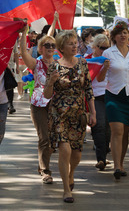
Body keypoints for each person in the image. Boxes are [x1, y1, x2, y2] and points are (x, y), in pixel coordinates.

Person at [44, 30, 96, 203]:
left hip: (78, 113)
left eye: (76, 43)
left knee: (77, 154)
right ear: (62, 47)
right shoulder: (54, 66)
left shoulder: (82, 63)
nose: (75, 46)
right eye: (71, 43)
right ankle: (66, 189)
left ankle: (71, 174)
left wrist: (93, 112)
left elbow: (88, 88)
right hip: (58, 113)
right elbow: (46, 94)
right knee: (64, 149)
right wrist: (51, 82)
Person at [101, 24, 129, 179]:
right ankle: (116, 166)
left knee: (125, 132)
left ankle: (121, 163)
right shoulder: (108, 53)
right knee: (116, 130)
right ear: (114, 37)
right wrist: (104, 68)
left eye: (125, 33)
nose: (123, 36)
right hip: (114, 94)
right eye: (119, 34)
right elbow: (100, 78)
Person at [19, 26, 56, 183]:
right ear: (40, 49)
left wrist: (54, 21)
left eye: (53, 45)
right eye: (46, 45)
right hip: (39, 105)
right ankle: (45, 170)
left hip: (56, 105)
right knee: (44, 137)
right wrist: (23, 34)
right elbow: (23, 52)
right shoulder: (36, 63)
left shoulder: (59, 64)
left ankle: (43, 162)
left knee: (54, 139)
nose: (50, 48)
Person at [85, 34, 111, 171]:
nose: (104, 50)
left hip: (110, 94)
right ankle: (101, 158)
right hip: (94, 96)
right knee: (99, 125)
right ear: (94, 47)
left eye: (107, 47)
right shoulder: (87, 60)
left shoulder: (111, 58)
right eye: (101, 48)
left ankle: (104, 151)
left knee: (108, 128)